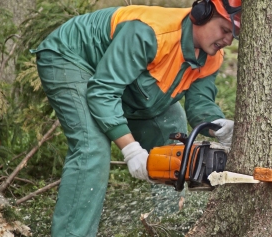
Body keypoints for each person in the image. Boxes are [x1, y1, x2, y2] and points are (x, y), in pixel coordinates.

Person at [31, 0, 241, 236]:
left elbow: (200, 103)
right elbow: (103, 92)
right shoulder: (149, 32)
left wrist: (218, 126)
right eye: (224, 30)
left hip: (125, 82)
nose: (227, 40)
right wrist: (131, 150)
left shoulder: (212, 56)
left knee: (170, 124)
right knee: (93, 147)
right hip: (71, 57)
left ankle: (168, 224)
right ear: (202, 14)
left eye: (233, 35)